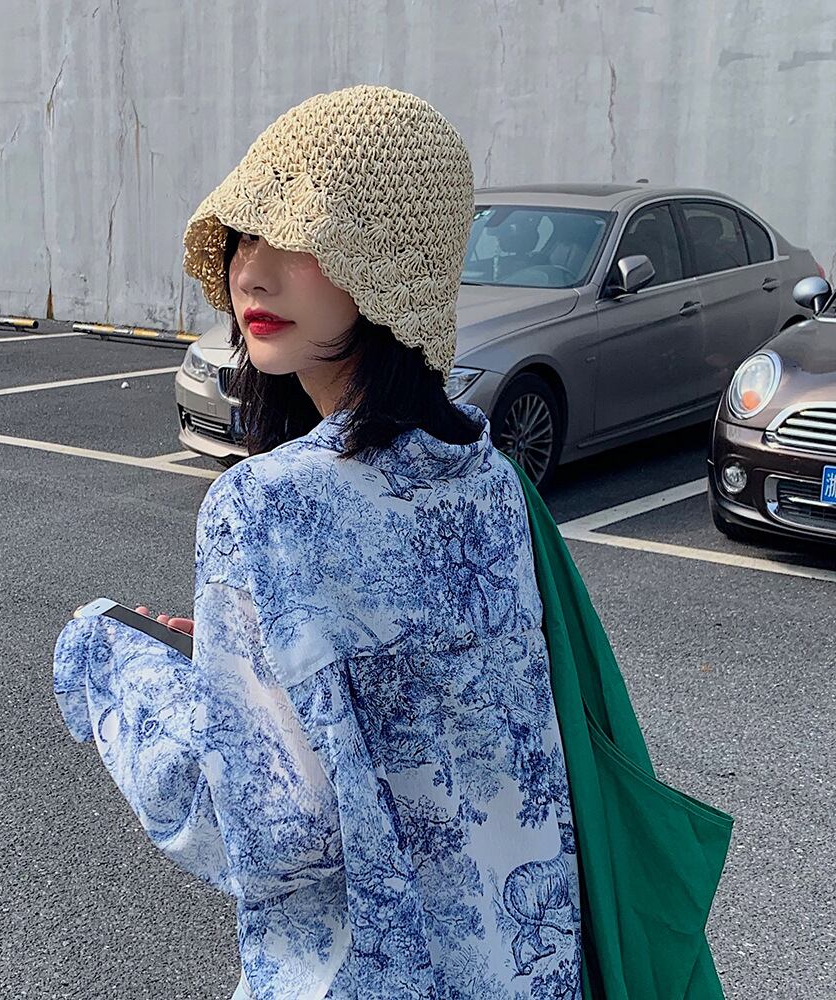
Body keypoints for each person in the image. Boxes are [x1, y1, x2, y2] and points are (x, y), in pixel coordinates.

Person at [53, 85, 729, 1000]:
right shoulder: (489, 477)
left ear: (386, 263)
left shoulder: (263, 506)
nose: (251, 274)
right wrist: (240, 667)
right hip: (530, 964)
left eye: (296, 237)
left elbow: (272, 834)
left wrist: (114, 664)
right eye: (243, 237)